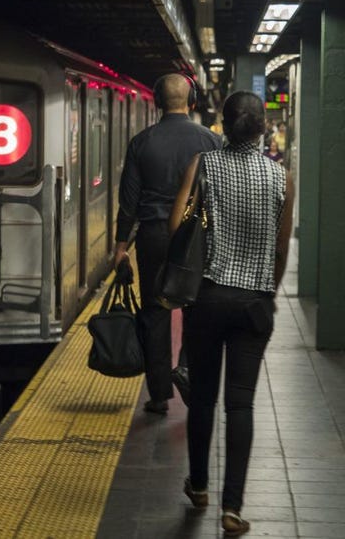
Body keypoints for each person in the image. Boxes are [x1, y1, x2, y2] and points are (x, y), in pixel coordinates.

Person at [173, 91, 294, 537]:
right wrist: (269, 290)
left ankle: (199, 486)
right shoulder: (281, 177)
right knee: (240, 403)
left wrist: (206, 218)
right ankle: (232, 509)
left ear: (224, 124)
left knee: (203, 397)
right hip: (254, 303)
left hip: (207, 297)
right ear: (262, 127)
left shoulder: (203, 165)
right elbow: (281, 247)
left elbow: (176, 225)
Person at [114, 73, 222, 414]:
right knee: (197, 307)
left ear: (157, 103)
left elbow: (128, 201)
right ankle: (187, 368)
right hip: (197, 234)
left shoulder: (141, 142)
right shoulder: (212, 142)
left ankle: (159, 395)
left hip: (154, 236)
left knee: (155, 312)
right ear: (191, 103)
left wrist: (120, 247)